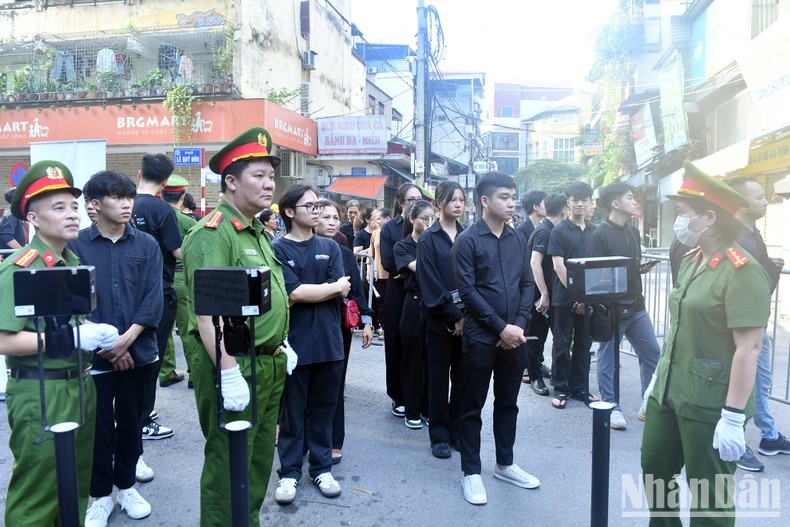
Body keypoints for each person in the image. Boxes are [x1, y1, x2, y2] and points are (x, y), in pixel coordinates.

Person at [641, 161, 771, 524]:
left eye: (683, 214)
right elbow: (680, 324)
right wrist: (657, 378)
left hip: (711, 401)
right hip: (669, 391)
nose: (678, 221)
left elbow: (750, 348)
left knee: (709, 496)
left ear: (710, 219)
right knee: (655, 474)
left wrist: (732, 416)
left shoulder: (742, 270)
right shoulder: (691, 259)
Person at [182, 127, 291, 526]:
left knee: (258, 462)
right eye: (258, 176)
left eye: (270, 175)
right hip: (237, 365)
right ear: (230, 181)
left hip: (267, 363)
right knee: (230, 464)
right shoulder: (213, 233)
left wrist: (281, 341)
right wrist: (228, 372)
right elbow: (207, 312)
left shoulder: (256, 229)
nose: (269, 184)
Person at [0, 160, 119, 526]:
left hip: (80, 385)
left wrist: (91, 331)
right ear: (33, 219)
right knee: (38, 496)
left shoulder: (70, 262)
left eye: (73, 206)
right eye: (58, 207)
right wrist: (67, 338)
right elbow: (3, 338)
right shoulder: (21, 268)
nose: (72, 215)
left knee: (74, 490)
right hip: (42, 391)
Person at [70, 171, 164, 526]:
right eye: (118, 198)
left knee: (131, 422)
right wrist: (111, 344)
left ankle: (125, 485)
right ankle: (99, 495)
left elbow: (153, 299)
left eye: (129, 197)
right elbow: (76, 303)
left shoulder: (147, 244)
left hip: (139, 350)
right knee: (96, 427)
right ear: (94, 205)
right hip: (95, 354)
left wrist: (127, 340)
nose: (127, 204)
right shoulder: (76, 245)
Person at [451, 172, 538, 506]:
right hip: (480, 338)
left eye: (514, 196)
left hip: (514, 338)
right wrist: (500, 328)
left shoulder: (517, 239)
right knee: (471, 405)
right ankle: (471, 471)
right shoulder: (468, 240)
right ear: (485, 201)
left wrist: (516, 325)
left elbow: (527, 284)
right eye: (504, 196)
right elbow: (468, 292)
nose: (511, 202)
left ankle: (505, 463)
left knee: (508, 403)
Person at [273, 185, 351, 505]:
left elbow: (343, 288)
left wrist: (328, 288)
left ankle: (321, 468)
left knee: (323, 410)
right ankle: (289, 473)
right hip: (294, 346)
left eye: (318, 205)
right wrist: (329, 287)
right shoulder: (277, 249)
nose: (317, 211)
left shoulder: (330, 247)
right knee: (292, 413)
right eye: (310, 206)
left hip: (330, 343)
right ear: (290, 212)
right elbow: (292, 294)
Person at [725, 176, 790, 472]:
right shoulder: (733, 238)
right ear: (740, 203)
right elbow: (740, 287)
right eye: (760, 196)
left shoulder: (754, 235)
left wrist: (770, 269)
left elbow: (761, 283)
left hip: (758, 325)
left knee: (761, 385)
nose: (766, 201)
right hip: (741, 329)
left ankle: (769, 435)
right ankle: (735, 442)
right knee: (743, 387)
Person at [586, 183, 660, 431]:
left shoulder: (633, 233)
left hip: (636, 306)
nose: (635, 201)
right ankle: (611, 406)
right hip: (612, 309)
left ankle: (648, 403)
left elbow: (625, 268)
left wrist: (639, 269)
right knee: (609, 358)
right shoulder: (599, 236)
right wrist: (602, 308)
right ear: (615, 204)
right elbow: (594, 278)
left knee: (652, 353)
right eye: (630, 198)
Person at [314, 198, 374, 465]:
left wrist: (367, 320)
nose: (330, 222)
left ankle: (333, 440)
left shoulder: (346, 253)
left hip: (339, 327)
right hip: (305, 326)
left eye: (334, 218)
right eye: (324, 217)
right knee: (301, 384)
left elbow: (359, 292)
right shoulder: (294, 248)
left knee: (335, 385)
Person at [131, 153, 181, 441]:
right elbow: (178, 252)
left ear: (139, 174)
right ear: (165, 182)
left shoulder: (124, 205)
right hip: (159, 294)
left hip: (128, 293)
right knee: (152, 359)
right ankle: (142, 420)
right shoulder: (163, 211)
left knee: (132, 359)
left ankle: (133, 413)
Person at [417, 181, 465, 458]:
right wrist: (454, 314)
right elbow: (431, 284)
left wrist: (465, 315)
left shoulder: (468, 235)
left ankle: (457, 430)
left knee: (462, 378)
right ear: (439, 203)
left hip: (468, 320)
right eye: (451, 200)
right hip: (439, 320)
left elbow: (474, 279)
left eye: (460, 199)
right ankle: (439, 436)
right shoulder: (428, 238)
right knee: (437, 379)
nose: (457, 204)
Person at [547, 181, 597, 410]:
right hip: (564, 297)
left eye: (584, 200)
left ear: (589, 203)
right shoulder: (559, 231)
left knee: (584, 345)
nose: (579, 204)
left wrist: (588, 297)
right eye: (575, 199)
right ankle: (560, 388)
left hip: (589, 299)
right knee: (562, 344)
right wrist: (577, 295)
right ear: (567, 202)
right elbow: (559, 266)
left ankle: (579, 388)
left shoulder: (595, 231)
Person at [380, 183, 424, 417]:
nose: (415, 203)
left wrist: (409, 267)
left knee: (421, 346)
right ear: (400, 203)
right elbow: (390, 264)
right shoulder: (390, 229)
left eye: (418, 199)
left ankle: (421, 396)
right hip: (398, 292)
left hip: (424, 292)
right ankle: (398, 396)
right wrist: (411, 267)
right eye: (410, 200)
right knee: (396, 343)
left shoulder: (428, 225)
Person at [394, 199, 434, 430]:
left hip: (435, 306)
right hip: (414, 303)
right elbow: (423, 269)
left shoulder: (438, 243)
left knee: (434, 361)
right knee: (412, 360)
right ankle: (411, 409)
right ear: (411, 219)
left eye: (432, 219)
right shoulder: (403, 246)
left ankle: (429, 408)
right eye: (424, 219)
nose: (429, 223)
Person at [525, 192, 567, 396]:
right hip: (537, 295)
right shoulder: (544, 231)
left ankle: (550, 375)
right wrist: (544, 294)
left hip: (548, 294)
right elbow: (534, 263)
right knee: (536, 337)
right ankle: (535, 378)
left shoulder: (552, 229)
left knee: (549, 337)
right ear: (563, 210)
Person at [160, 175, 198, 389]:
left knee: (164, 329)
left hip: (160, 279)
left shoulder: (155, 216)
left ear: (162, 194)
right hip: (183, 279)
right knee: (188, 327)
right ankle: (194, 372)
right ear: (182, 197)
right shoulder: (188, 222)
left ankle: (165, 373)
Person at [516, 190, 547, 384]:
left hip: (541, 288)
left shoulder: (544, 228)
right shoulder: (522, 229)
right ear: (535, 206)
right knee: (529, 329)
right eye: (545, 202)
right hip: (527, 289)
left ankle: (537, 361)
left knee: (541, 330)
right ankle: (526, 365)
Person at [369, 208, 391, 340]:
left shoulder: (394, 231)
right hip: (378, 272)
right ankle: (382, 327)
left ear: (388, 218)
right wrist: (368, 271)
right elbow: (370, 253)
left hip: (392, 274)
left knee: (390, 302)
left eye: (379, 218)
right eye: (375, 218)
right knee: (379, 303)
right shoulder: (375, 233)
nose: (376, 221)